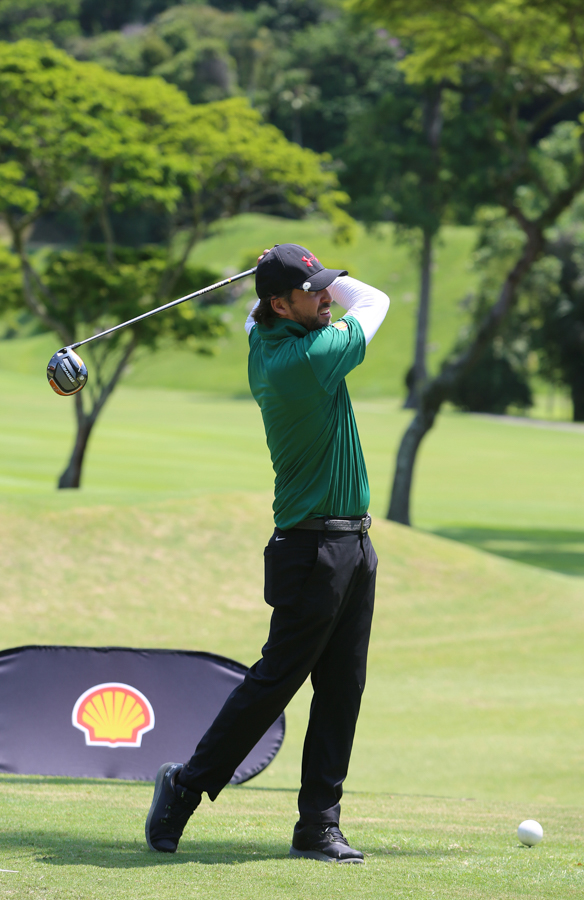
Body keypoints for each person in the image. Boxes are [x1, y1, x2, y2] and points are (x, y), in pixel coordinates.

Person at [145, 243, 389, 863]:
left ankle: (318, 826)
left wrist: (289, 272)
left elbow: (257, 317)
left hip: (353, 544)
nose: (327, 298)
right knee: (276, 682)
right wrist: (302, 277)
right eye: (313, 292)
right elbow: (374, 300)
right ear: (281, 305)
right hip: (312, 549)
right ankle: (185, 787)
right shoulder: (305, 359)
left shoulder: (267, 335)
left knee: (342, 688)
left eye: (326, 286)